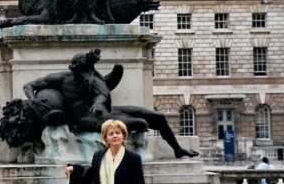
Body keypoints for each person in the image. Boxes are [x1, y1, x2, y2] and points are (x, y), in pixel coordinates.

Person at [23, 49, 199, 158]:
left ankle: (177, 149)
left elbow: (103, 94)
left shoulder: (92, 77)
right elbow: (29, 85)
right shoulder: (61, 79)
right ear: (76, 67)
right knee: (141, 123)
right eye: (86, 67)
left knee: (157, 117)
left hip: (105, 111)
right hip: (86, 119)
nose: (90, 71)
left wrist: (100, 103)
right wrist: (33, 101)